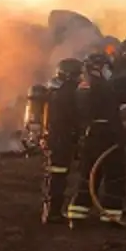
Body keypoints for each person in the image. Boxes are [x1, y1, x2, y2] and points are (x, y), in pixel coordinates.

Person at [68, 51, 126, 226]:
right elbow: (111, 115)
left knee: (88, 176)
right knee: (115, 176)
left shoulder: (83, 86)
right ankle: (111, 216)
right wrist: (122, 137)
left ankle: (77, 214)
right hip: (107, 137)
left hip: (90, 137)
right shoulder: (101, 86)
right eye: (106, 66)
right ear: (99, 67)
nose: (108, 70)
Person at [40, 58, 84, 224]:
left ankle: (52, 211)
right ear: (68, 75)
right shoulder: (67, 93)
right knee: (57, 176)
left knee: (56, 175)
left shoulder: (55, 90)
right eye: (77, 74)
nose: (79, 77)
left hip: (56, 139)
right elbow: (73, 117)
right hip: (60, 140)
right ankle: (52, 214)